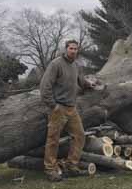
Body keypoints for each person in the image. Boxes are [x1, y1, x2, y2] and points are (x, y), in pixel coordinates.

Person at [39, 39, 93, 181]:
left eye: (76, 49)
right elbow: (45, 86)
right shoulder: (56, 64)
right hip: (58, 108)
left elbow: (81, 81)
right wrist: (53, 105)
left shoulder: (75, 65)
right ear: (65, 49)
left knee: (80, 135)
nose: (73, 51)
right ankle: (50, 169)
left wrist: (91, 85)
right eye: (71, 48)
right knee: (53, 139)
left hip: (71, 108)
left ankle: (71, 165)